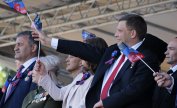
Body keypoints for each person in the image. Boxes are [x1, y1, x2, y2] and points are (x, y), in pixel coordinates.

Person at [32, 13, 167, 108]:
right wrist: (49, 41)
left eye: (120, 31)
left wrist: (107, 103)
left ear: (132, 34)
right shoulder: (114, 51)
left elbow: (135, 89)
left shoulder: (147, 58)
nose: (115, 35)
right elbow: (83, 49)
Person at [32, 37, 108, 108]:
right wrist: (44, 74)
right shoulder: (81, 77)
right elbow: (59, 94)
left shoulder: (99, 79)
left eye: (83, 54)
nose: (81, 57)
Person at [0, 31, 44, 108]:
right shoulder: (19, 72)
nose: (15, 48)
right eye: (15, 45)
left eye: (19, 44)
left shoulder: (38, 69)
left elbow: (34, 103)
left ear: (33, 48)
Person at [153, 37, 177, 108]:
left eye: (171, 49)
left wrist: (171, 84)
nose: (166, 53)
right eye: (167, 48)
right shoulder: (166, 73)